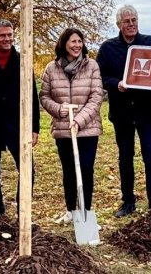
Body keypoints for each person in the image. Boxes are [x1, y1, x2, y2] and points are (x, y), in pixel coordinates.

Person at [96, 5, 151, 217]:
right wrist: (117, 84)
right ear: (119, 24)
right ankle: (128, 201)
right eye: (127, 21)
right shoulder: (107, 48)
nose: (131, 24)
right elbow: (100, 76)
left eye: (134, 20)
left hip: (147, 112)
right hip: (122, 113)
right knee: (125, 157)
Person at [0, 19, 40, 216]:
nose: (7, 39)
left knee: (28, 169)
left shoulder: (23, 61)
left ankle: (23, 211)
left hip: (17, 125)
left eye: (10, 35)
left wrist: (34, 127)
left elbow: (32, 96)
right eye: (3, 35)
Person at [39, 28, 104, 223]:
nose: (77, 45)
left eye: (79, 42)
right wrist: (60, 110)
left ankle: (86, 212)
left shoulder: (91, 66)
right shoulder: (52, 68)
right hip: (63, 129)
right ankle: (70, 211)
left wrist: (79, 119)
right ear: (64, 44)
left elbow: (96, 96)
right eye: (73, 42)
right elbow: (44, 96)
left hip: (88, 128)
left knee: (86, 169)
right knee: (68, 170)